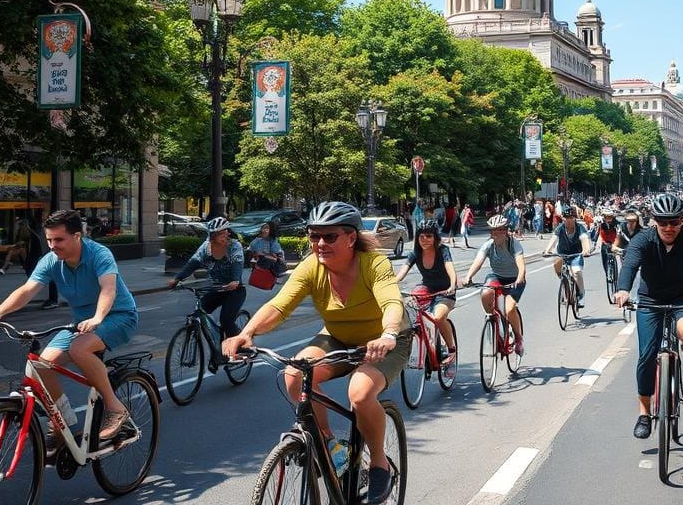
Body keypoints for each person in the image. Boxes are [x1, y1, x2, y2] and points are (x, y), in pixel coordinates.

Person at [223, 202, 408, 505]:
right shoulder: (312, 266)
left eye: (330, 237)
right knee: (295, 372)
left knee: (360, 395)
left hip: (384, 341)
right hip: (337, 338)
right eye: (314, 236)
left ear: (351, 237)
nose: (320, 244)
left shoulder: (374, 263)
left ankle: (378, 463)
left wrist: (388, 334)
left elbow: (391, 301)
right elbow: (279, 306)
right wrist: (247, 333)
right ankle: (333, 447)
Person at [0, 210, 138, 442]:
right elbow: (27, 290)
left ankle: (115, 408)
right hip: (80, 325)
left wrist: (98, 317)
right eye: (49, 240)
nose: (52, 245)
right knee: (40, 365)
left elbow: (108, 289)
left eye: (59, 240)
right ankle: (62, 420)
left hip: (118, 316)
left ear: (77, 236)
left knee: (80, 349)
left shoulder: (99, 254)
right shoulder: (51, 261)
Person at [614, 194, 683, 440]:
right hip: (651, 300)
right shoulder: (643, 239)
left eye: (674, 222)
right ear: (654, 221)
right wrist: (623, 289)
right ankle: (644, 413)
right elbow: (630, 264)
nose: (669, 228)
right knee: (646, 354)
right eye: (663, 222)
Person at [168, 217, 247, 339]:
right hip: (216, 289)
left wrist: (235, 280)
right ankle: (208, 345)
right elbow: (194, 262)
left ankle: (243, 344)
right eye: (214, 234)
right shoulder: (206, 247)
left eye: (221, 233)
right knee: (197, 315)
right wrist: (177, 278)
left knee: (226, 321)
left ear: (227, 232)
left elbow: (238, 262)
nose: (217, 237)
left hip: (234, 290)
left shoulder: (234, 246)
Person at [395, 220, 457, 368]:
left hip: (445, 292)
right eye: (421, 236)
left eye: (429, 236)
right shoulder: (415, 253)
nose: (425, 240)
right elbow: (401, 274)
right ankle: (427, 340)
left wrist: (453, 285)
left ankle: (451, 350)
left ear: (435, 237)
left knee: (438, 317)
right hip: (427, 289)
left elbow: (450, 270)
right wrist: (389, 284)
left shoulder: (443, 251)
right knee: (412, 301)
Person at [462, 214, 526, 355]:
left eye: (501, 230)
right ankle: (493, 321)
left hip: (514, 279)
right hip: (497, 275)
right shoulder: (488, 245)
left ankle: (518, 337)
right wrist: (468, 277)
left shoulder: (513, 244)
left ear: (506, 231)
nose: (498, 233)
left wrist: (520, 277)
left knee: (509, 309)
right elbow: (478, 262)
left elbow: (521, 264)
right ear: (491, 232)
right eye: (495, 230)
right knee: (485, 293)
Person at [542, 205, 592, 307]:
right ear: (563, 219)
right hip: (562, 254)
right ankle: (565, 283)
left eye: (571, 218)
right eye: (566, 218)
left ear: (575, 218)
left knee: (577, 272)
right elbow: (554, 239)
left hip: (576, 255)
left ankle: (581, 295)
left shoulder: (580, 228)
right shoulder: (560, 228)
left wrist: (586, 250)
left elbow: (584, 239)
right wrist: (547, 250)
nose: (569, 221)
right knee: (556, 265)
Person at [597, 208, 620, 277]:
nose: (609, 219)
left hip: (614, 242)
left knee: (618, 257)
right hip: (605, 242)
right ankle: (607, 273)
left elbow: (620, 230)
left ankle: (617, 273)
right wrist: (595, 243)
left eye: (610, 217)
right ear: (604, 217)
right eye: (607, 217)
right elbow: (597, 233)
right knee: (604, 256)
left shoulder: (615, 222)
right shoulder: (601, 223)